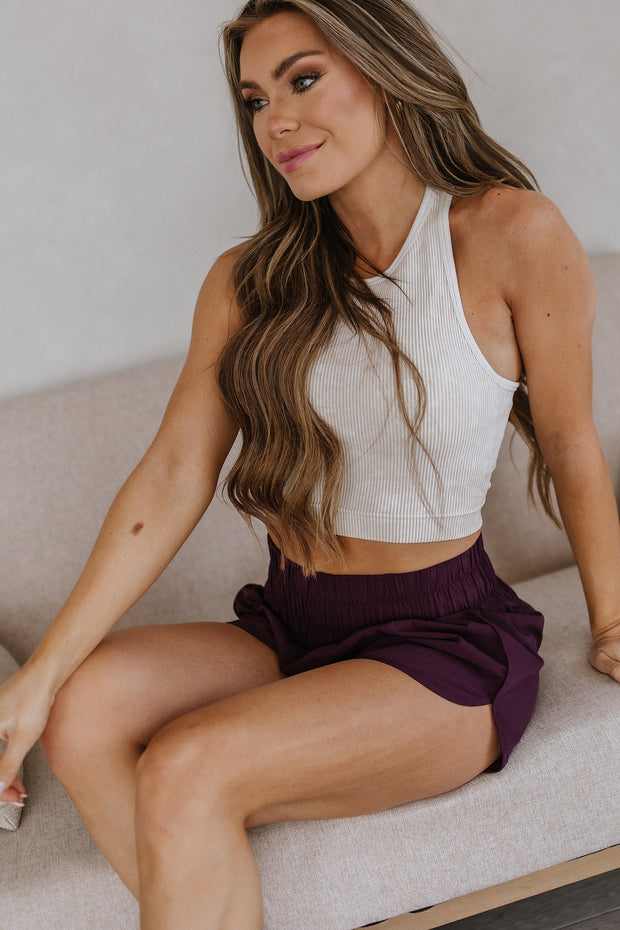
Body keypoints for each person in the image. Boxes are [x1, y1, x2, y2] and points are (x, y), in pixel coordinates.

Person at [1, 0, 619, 926]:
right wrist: (40, 676)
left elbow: (570, 443)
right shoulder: (251, 281)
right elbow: (174, 473)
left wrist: (612, 622)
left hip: (442, 646)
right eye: (256, 100)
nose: (275, 121)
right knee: (81, 708)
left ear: (386, 68)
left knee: (186, 766)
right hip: (289, 623)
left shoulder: (510, 233)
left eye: (302, 79)